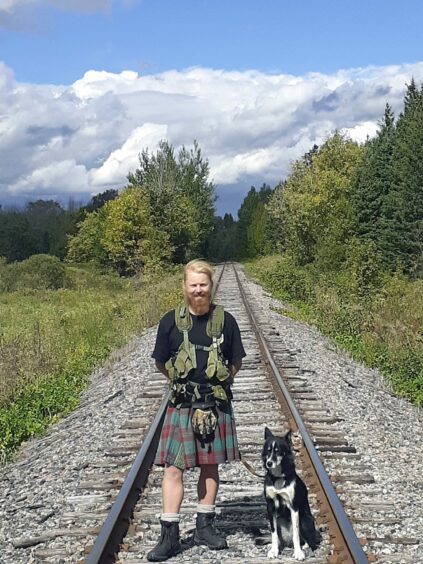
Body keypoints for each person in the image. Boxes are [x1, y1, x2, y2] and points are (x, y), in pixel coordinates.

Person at [147, 259, 246, 562]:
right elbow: (160, 363)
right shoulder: (170, 321)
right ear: (185, 287)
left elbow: (236, 362)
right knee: (173, 469)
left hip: (214, 404)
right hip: (182, 405)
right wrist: (184, 386)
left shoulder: (226, 321)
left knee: (210, 465)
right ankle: (170, 535)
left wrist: (215, 385)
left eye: (203, 285)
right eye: (194, 285)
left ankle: (205, 526)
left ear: (211, 287)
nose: (199, 290)